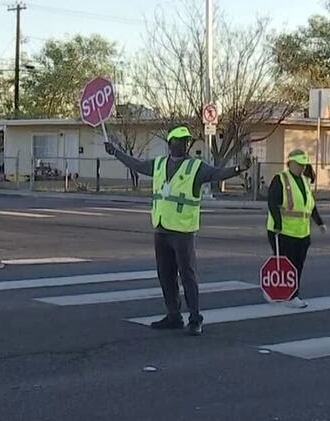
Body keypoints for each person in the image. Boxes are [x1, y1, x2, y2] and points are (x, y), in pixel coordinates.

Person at [105, 126, 249, 337]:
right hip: (162, 228)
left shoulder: (195, 167)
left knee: (187, 274)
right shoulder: (159, 164)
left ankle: (195, 318)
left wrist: (238, 169)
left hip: (182, 230)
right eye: (178, 140)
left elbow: (217, 173)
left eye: (185, 141)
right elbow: (136, 164)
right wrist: (116, 152)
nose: (182, 144)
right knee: (165, 274)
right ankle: (173, 315)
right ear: (170, 143)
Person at [266, 149, 326, 308]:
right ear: (290, 163)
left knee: (298, 264)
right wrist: (278, 224)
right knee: (287, 265)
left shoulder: (305, 181)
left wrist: (319, 222)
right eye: (299, 164)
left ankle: (285, 293)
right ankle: (291, 295)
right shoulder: (281, 179)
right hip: (283, 231)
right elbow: (272, 202)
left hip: (302, 232)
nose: (301, 168)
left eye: (303, 165)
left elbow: (310, 206)